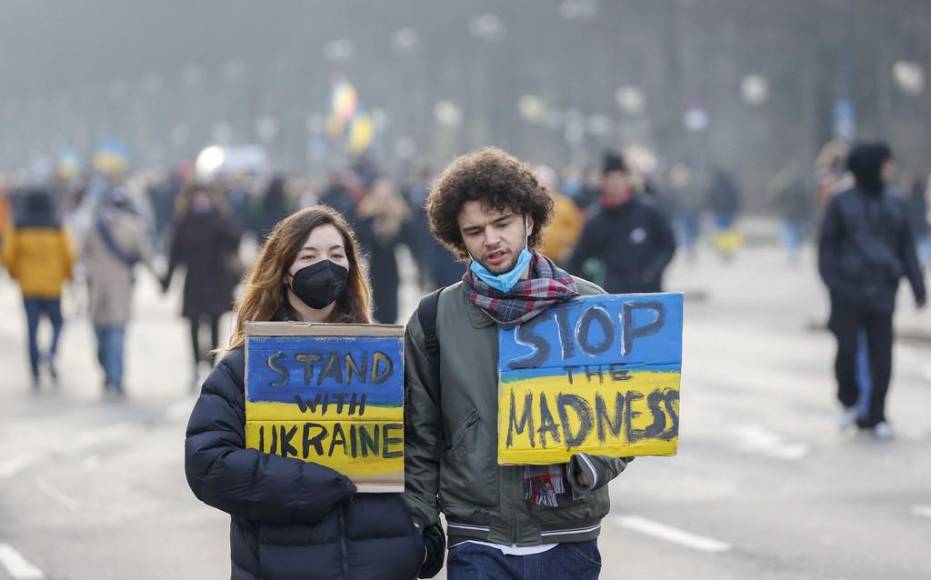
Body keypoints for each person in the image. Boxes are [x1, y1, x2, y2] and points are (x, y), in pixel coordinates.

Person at [404, 148, 629, 580]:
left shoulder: (589, 307)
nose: (490, 240)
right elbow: (421, 433)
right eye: (474, 231)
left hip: (567, 536)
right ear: (459, 237)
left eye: (502, 224)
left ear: (529, 220)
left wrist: (592, 465)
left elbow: (626, 414)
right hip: (477, 536)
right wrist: (420, 519)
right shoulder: (433, 320)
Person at [185, 206, 426, 579]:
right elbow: (207, 462)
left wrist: (424, 532)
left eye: (335, 255)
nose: (325, 266)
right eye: (308, 256)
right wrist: (304, 484)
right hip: (282, 563)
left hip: (383, 562)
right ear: (284, 271)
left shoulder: (382, 362)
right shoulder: (247, 365)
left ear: (350, 268)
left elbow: (422, 447)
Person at [818, 142, 926, 438]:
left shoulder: (897, 202)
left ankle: (876, 414)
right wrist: (833, 283)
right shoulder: (841, 203)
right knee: (848, 352)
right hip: (847, 292)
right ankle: (849, 401)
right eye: (885, 163)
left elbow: (907, 249)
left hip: (882, 291)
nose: (890, 169)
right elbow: (826, 247)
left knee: (882, 358)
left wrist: (918, 287)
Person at [162, 183, 242, 387]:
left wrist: (219, 217)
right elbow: (175, 254)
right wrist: (167, 281)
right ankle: (196, 365)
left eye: (204, 198)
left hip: (217, 280)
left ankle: (213, 363)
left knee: (215, 324)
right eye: (197, 198)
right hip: (194, 282)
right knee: (194, 325)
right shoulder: (184, 221)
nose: (200, 201)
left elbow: (235, 240)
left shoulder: (219, 218)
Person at [567, 152, 677, 293]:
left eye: (619, 177)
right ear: (602, 181)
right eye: (610, 178)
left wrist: (652, 272)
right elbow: (577, 260)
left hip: (649, 295)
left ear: (628, 179)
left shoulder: (649, 212)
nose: (615, 183)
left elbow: (668, 246)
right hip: (612, 297)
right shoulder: (596, 220)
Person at [81, 188, 152, 397]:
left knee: (114, 335)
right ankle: (110, 372)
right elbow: (83, 254)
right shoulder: (95, 228)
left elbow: (143, 253)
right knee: (105, 336)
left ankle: (115, 377)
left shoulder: (128, 229)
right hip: (103, 289)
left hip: (114, 290)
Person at [2, 188, 75, 391]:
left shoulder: (19, 226)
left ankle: (34, 370)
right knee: (58, 322)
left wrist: (16, 274)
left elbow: (8, 256)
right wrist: (66, 275)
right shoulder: (57, 226)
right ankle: (51, 352)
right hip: (53, 286)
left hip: (28, 286)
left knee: (32, 329)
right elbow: (69, 255)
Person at [356, 177, 412, 324]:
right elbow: (362, 236)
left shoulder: (399, 215)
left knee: (391, 297)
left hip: (391, 261)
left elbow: (406, 237)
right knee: (377, 295)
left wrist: (392, 222)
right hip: (375, 261)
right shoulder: (367, 214)